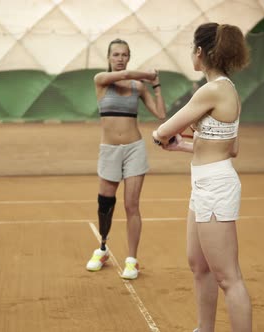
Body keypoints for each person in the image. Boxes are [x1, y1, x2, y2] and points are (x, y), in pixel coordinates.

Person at [152, 23, 252, 332]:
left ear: (200, 53)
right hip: (205, 181)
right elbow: (230, 148)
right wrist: (183, 145)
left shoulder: (211, 90)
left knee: (228, 277)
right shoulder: (225, 89)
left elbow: (163, 129)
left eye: (192, 50)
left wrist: (163, 137)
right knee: (199, 265)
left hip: (215, 186)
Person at [86, 38, 166, 280]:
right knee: (105, 205)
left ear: (128, 56)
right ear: (109, 58)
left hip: (134, 149)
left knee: (132, 205)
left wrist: (156, 84)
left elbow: (161, 114)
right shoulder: (101, 80)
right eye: (115, 54)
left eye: (124, 54)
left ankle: (132, 259)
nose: (120, 58)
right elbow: (130, 74)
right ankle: (102, 249)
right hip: (109, 150)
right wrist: (148, 74)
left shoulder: (138, 87)